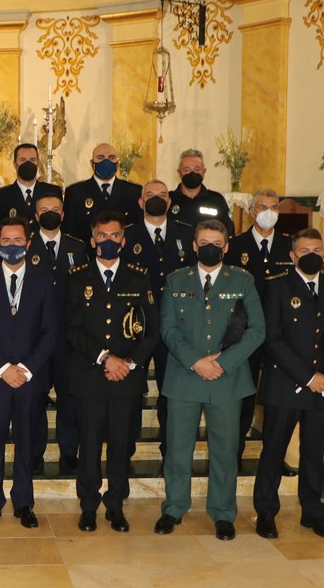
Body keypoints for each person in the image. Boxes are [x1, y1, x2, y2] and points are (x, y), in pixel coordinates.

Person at [155, 219, 265, 541]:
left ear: (226, 246)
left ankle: (223, 512)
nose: (210, 248)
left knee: (225, 449)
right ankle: (174, 507)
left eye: (217, 243)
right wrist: (195, 362)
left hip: (226, 380)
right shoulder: (176, 280)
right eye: (204, 242)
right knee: (177, 449)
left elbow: (257, 330)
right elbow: (168, 329)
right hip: (184, 378)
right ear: (194, 245)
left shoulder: (242, 280)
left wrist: (224, 363)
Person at [253, 229, 324, 540]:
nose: (311, 254)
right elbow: (271, 339)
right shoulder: (277, 287)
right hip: (285, 386)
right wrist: (308, 377)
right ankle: (266, 513)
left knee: (314, 453)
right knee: (273, 452)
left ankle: (313, 513)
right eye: (304, 250)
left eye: (317, 248)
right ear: (293, 256)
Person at [67, 212, 158, 533]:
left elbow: (150, 330)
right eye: (102, 236)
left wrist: (129, 364)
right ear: (92, 241)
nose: (109, 241)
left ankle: (116, 506)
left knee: (122, 445)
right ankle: (89, 506)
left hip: (126, 380)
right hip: (90, 378)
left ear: (123, 240)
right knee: (89, 446)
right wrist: (106, 358)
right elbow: (72, 329)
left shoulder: (138, 277)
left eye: (115, 235)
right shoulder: (77, 277)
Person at [0, 217, 58, 529]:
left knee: (27, 443)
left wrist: (26, 368)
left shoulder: (45, 280)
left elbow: (50, 331)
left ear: (28, 244)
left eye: (17, 240)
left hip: (30, 379)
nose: (12, 246)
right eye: (5, 241)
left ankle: (24, 502)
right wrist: (4, 368)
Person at [119, 180, 196, 464]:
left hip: (175, 325)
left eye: (162, 195)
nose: (156, 199)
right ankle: (125, 450)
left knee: (171, 391)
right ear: (140, 203)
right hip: (135, 326)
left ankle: (170, 451)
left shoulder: (187, 234)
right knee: (131, 392)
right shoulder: (126, 235)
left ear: (170, 201)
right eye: (149, 195)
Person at [224, 188, 297, 473]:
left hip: (281, 333)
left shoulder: (288, 247)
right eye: (264, 207)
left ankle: (275, 458)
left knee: (279, 397)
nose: (269, 212)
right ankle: (235, 454)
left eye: (275, 207)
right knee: (243, 394)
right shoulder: (236, 245)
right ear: (253, 211)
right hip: (244, 333)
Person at [27, 193, 87, 474]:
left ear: (63, 215)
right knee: (36, 397)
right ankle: (35, 452)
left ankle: (68, 451)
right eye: (44, 210)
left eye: (55, 209)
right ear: (36, 216)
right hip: (34, 337)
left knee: (68, 396)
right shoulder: (26, 245)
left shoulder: (78, 247)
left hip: (68, 338)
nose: (50, 214)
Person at [62, 143, 142, 244]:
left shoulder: (134, 192)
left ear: (117, 163)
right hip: (87, 256)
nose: (106, 161)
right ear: (92, 163)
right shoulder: (75, 193)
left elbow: (139, 230)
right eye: (101, 157)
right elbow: (69, 235)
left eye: (111, 158)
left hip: (124, 257)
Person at [167, 149, 235, 236]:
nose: (192, 173)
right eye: (187, 170)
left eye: (197, 169)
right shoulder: (169, 199)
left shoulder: (217, 200)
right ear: (179, 173)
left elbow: (228, 231)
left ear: (204, 172)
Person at [0, 143, 62, 222]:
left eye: (32, 160)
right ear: (14, 164)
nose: (28, 164)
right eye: (23, 160)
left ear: (38, 163)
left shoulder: (53, 191)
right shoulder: (1, 196)